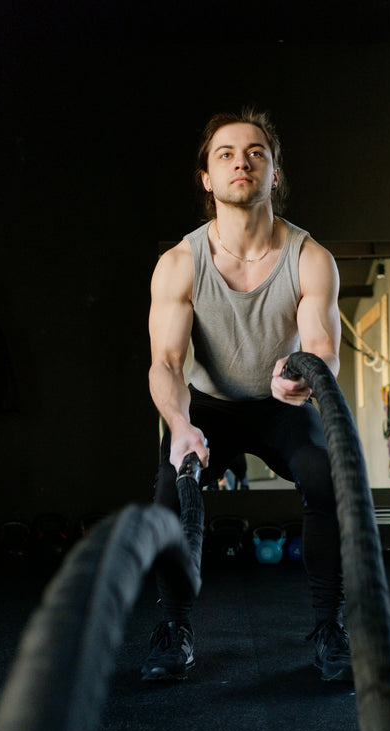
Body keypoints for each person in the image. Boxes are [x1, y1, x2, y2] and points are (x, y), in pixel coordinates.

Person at [143, 107, 352, 683]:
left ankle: (330, 627)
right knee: (169, 494)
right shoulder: (179, 263)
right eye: (226, 154)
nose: (243, 162)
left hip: (280, 404)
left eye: (256, 152)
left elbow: (323, 350)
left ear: (274, 173)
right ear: (206, 178)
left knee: (327, 480)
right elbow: (166, 364)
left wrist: (303, 376)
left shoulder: (310, 257)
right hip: (206, 407)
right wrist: (180, 426)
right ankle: (175, 629)